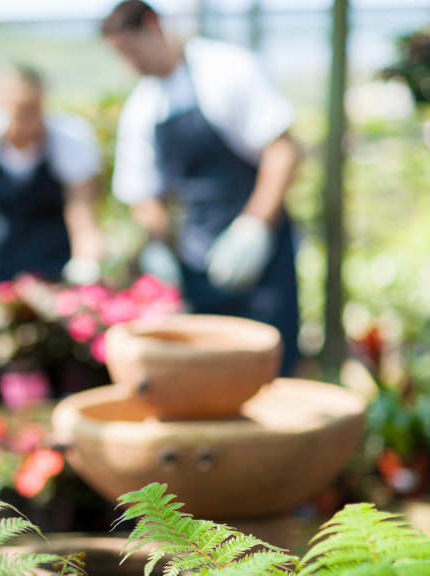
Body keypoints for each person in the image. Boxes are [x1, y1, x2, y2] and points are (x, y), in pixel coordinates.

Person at [102, 0, 302, 376]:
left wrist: (253, 228)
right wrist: (159, 250)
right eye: (121, 55)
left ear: (153, 25)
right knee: (210, 373)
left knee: (272, 366)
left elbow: (282, 152)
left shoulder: (225, 69)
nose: (130, 63)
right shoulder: (142, 109)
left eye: (131, 50)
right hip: (197, 261)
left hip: (261, 254)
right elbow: (144, 196)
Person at [0, 64, 104, 285]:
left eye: (34, 108)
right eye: (19, 109)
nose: (28, 119)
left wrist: (84, 271)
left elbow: (83, 217)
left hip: (57, 256)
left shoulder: (70, 140)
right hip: (0, 257)